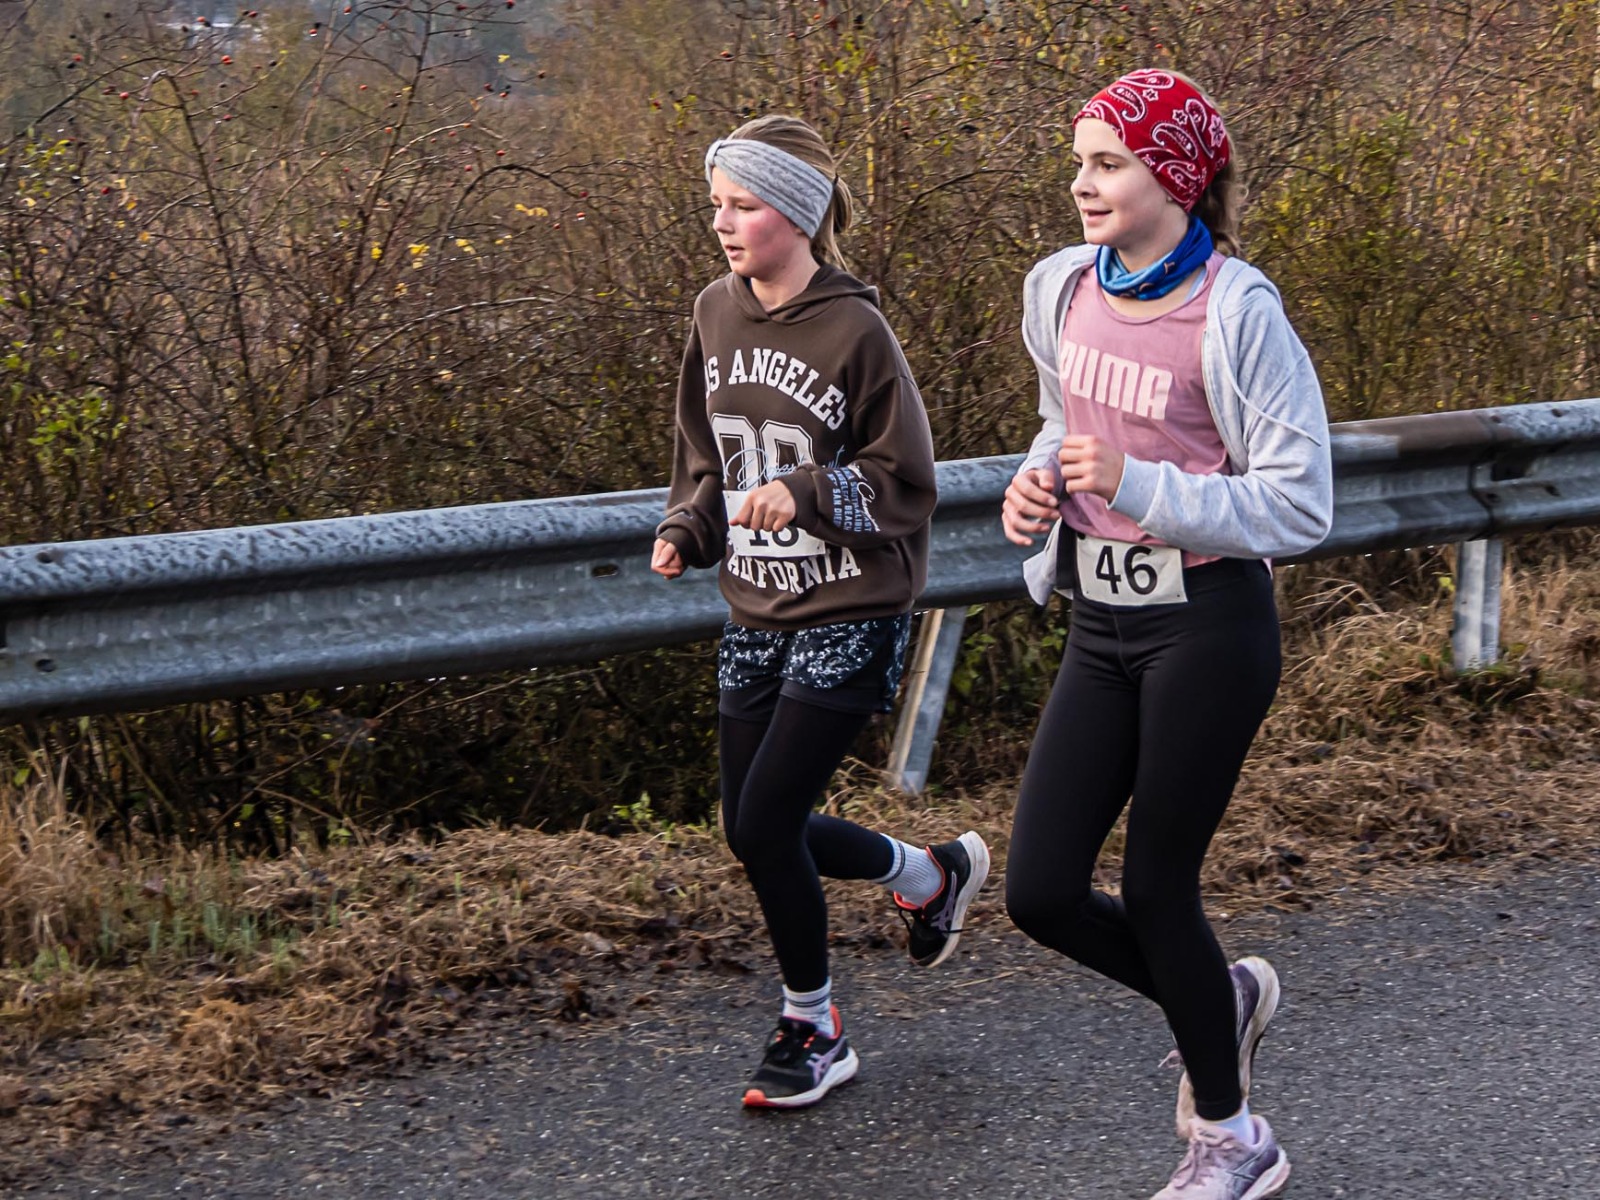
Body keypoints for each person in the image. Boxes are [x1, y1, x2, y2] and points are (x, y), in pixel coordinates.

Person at [1000, 70, 1332, 1198]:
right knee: (1039, 891)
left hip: (1209, 625)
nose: (1082, 183)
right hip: (1101, 620)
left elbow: (1300, 506)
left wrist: (1138, 483)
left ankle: (1233, 1143)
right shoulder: (1059, 288)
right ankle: (1217, 1000)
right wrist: (1037, 487)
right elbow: (1062, 425)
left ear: (1175, 178)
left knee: (1155, 889)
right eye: (1079, 162)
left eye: (1109, 163)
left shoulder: (1237, 312)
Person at [651, 114, 989, 1111]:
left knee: (767, 823)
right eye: (716, 204)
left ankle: (814, 1025)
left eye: (744, 205)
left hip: (852, 603)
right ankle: (925, 877)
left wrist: (803, 494)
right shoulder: (713, 313)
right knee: (751, 826)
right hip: (754, 604)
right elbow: (705, 455)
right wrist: (688, 527)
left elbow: (906, 480)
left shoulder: (857, 332)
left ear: (796, 216)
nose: (722, 223)